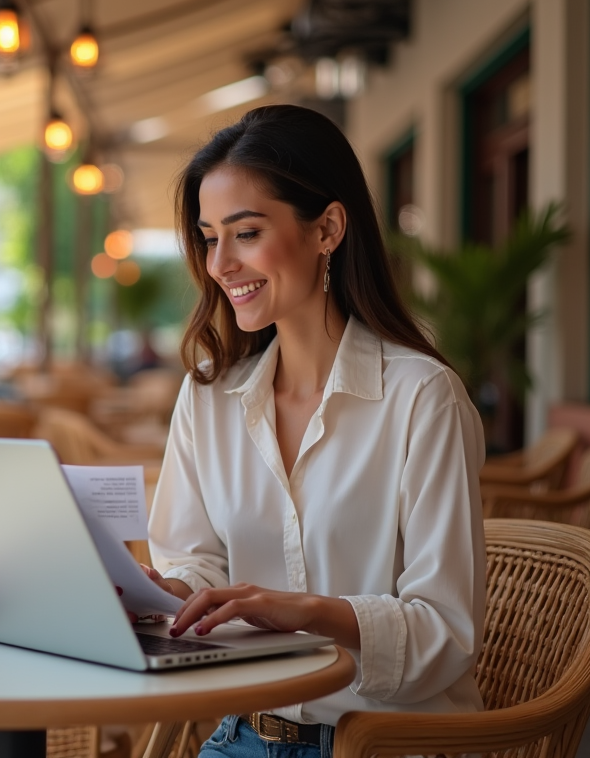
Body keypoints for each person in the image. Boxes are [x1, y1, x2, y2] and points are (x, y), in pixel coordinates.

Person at [144, 105, 486, 758]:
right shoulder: (208, 397)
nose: (220, 264)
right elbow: (194, 556)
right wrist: (176, 591)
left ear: (327, 228)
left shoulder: (421, 398)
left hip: (386, 741)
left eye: (245, 233)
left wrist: (311, 610)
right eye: (209, 237)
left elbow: (448, 632)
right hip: (241, 734)